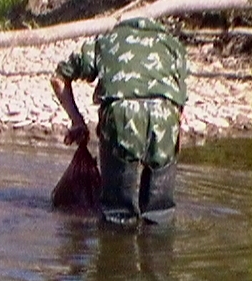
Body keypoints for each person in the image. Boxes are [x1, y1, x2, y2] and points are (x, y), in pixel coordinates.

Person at [51, 17, 188, 226]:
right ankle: (158, 252)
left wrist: (77, 121)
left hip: (122, 116)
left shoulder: (105, 42)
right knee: (160, 214)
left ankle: (115, 252)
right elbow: (180, 103)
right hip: (165, 116)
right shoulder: (172, 45)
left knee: (118, 214)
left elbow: (58, 78)